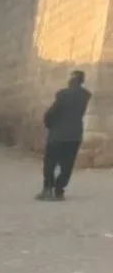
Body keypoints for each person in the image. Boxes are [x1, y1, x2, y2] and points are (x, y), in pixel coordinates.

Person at [39, 70, 93, 200]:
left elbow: (51, 114)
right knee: (67, 165)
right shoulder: (85, 96)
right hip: (74, 135)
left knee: (50, 163)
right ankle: (59, 191)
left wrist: (49, 125)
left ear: (71, 80)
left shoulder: (63, 94)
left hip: (57, 134)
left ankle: (47, 189)